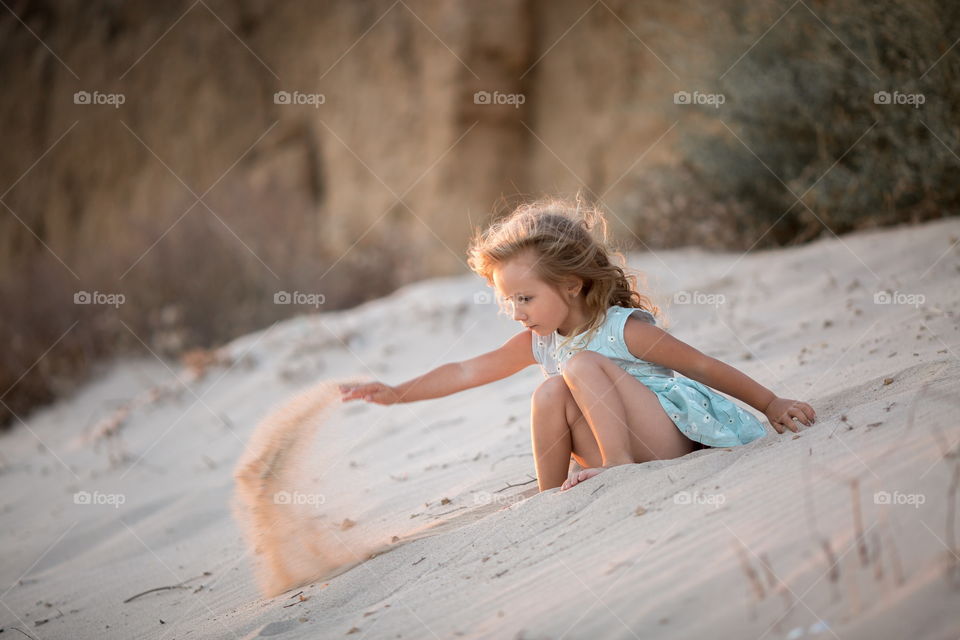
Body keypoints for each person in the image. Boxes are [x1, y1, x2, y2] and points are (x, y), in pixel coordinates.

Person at [339, 197, 816, 493]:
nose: (516, 311)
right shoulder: (541, 340)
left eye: (524, 298)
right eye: (507, 300)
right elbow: (469, 370)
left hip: (664, 437)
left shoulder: (622, 328)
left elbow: (702, 366)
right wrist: (397, 391)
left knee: (582, 365)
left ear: (571, 285)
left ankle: (617, 468)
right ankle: (551, 496)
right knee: (548, 392)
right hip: (608, 442)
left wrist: (772, 402)